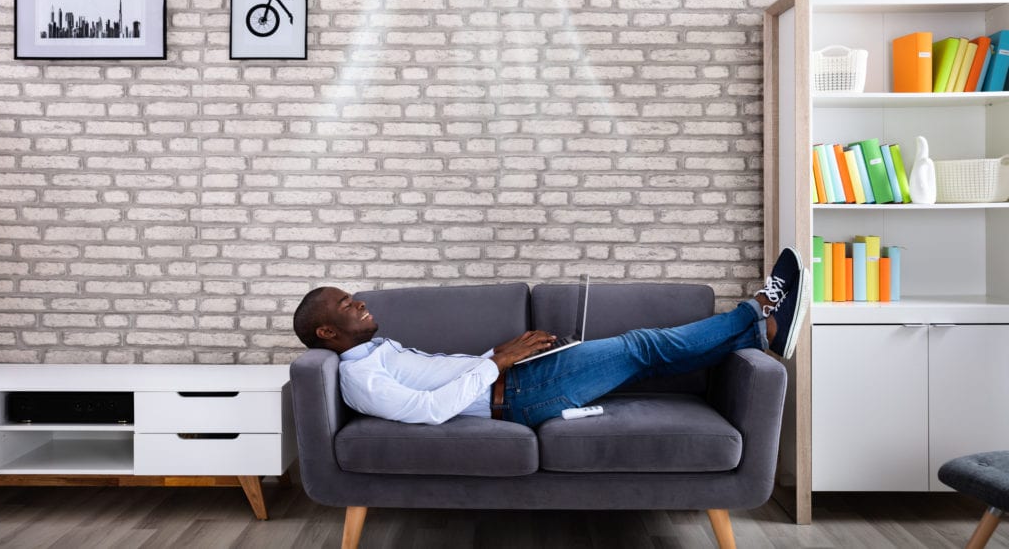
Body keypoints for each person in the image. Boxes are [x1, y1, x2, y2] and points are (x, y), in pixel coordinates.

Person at [292, 248, 809, 428]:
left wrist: (502, 357)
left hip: (515, 379)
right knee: (640, 346)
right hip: (517, 396)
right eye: (347, 304)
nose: (359, 302)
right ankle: (759, 309)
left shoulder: (375, 350)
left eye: (353, 296)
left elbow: (446, 376)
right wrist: (499, 364)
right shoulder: (361, 378)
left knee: (646, 360)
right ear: (327, 331)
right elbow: (430, 411)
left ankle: (760, 336)